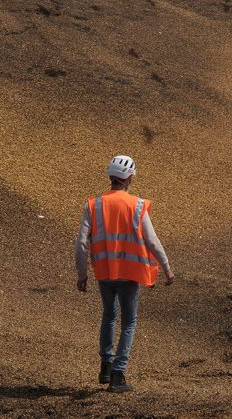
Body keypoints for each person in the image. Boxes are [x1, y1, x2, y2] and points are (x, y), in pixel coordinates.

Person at [74, 154, 174, 393]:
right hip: (130, 273)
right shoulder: (137, 205)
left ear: (111, 176)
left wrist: (81, 273)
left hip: (104, 271)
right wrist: (167, 269)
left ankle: (106, 367)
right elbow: (152, 241)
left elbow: (81, 243)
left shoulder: (94, 204)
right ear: (129, 178)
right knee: (129, 322)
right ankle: (118, 375)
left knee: (109, 316)